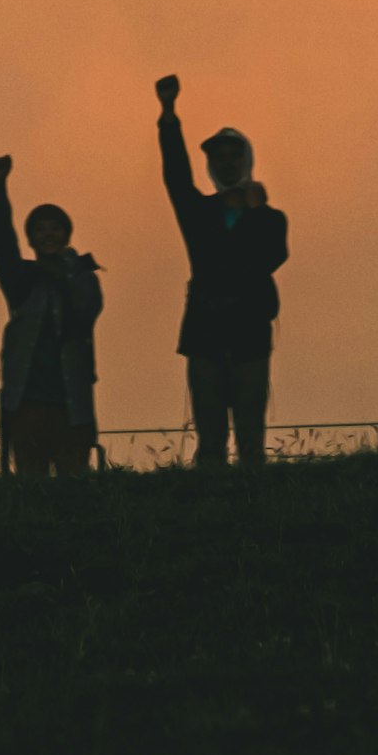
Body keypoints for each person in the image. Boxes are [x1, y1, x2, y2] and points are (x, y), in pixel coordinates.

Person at [155, 72, 289, 472]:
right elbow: (175, 174)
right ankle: (210, 502)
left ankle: (252, 505)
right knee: (210, 437)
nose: (226, 163)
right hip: (206, 329)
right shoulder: (198, 213)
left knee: (250, 436)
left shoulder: (270, 217)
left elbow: (271, 257)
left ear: (246, 160)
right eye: (219, 157)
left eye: (234, 155)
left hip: (248, 328)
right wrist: (168, 116)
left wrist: (256, 210)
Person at [0, 154, 103, 476]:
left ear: (66, 235)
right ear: (31, 238)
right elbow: (1, 242)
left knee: (74, 483)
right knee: (29, 484)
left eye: (56, 229)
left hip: (72, 403)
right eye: (40, 229)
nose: (48, 235)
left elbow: (89, 309)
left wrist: (70, 268)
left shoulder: (83, 277)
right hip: (26, 402)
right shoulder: (21, 280)